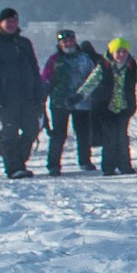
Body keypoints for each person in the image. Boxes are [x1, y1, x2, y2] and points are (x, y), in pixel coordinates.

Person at [77, 37, 137, 175]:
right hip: (105, 108)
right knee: (109, 138)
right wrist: (79, 96)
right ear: (112, 52)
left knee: (122, 137)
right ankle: (108, 167)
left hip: (124, 108)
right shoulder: (103, 66)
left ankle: (125, 166)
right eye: (118, 52)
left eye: (124, 52)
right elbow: (90, 83)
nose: (121, 55)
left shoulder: (132, 67)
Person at [0, 8, 45, 179]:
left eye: (14, 21)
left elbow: (34, 68)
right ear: (1, 23)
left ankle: (19, 161)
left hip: (27, 96)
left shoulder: (24, 43)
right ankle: (13, 168)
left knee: (32, 129)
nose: (11, 24)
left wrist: (39, 92)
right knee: (9, 134)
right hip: (5, 98)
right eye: (8, 21)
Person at [43, 29, 99, 174]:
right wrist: (43, 93)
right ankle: (53, 164)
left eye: (71, 41)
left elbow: (93, 78)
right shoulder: (54, 60)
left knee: (83, 134)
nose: (68, 44)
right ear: (60, 44)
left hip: (82, 102)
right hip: (60, 102)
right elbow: (46, 78)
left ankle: (85, 161)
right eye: (65, 42)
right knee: (58, 135)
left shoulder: (84, 58)